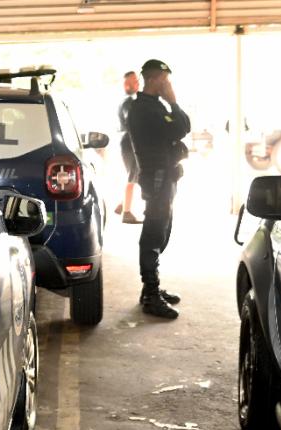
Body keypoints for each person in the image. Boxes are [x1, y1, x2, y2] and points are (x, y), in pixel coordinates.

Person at [127, 59, 190, 319]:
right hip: (156, 178)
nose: (169, 85)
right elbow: (182, 127)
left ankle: (150, 288)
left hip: (165, 177)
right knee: (154, 233)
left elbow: (179, 129)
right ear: (154, 80)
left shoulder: (153, 106)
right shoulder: (143, 109)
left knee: (162, 230)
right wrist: (174, 102)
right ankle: (151, 295)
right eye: (166, 80)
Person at [116, 71, 143, 224]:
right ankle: (126, 213)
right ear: (127, 85)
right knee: (133, 175)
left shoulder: (128, 100)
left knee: (131, 173)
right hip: (130, 140)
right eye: (134, 81)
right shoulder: (129, 102)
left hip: (126, 139)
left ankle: (122, 205)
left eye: (137, 80)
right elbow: (131, 120)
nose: (138, 83)